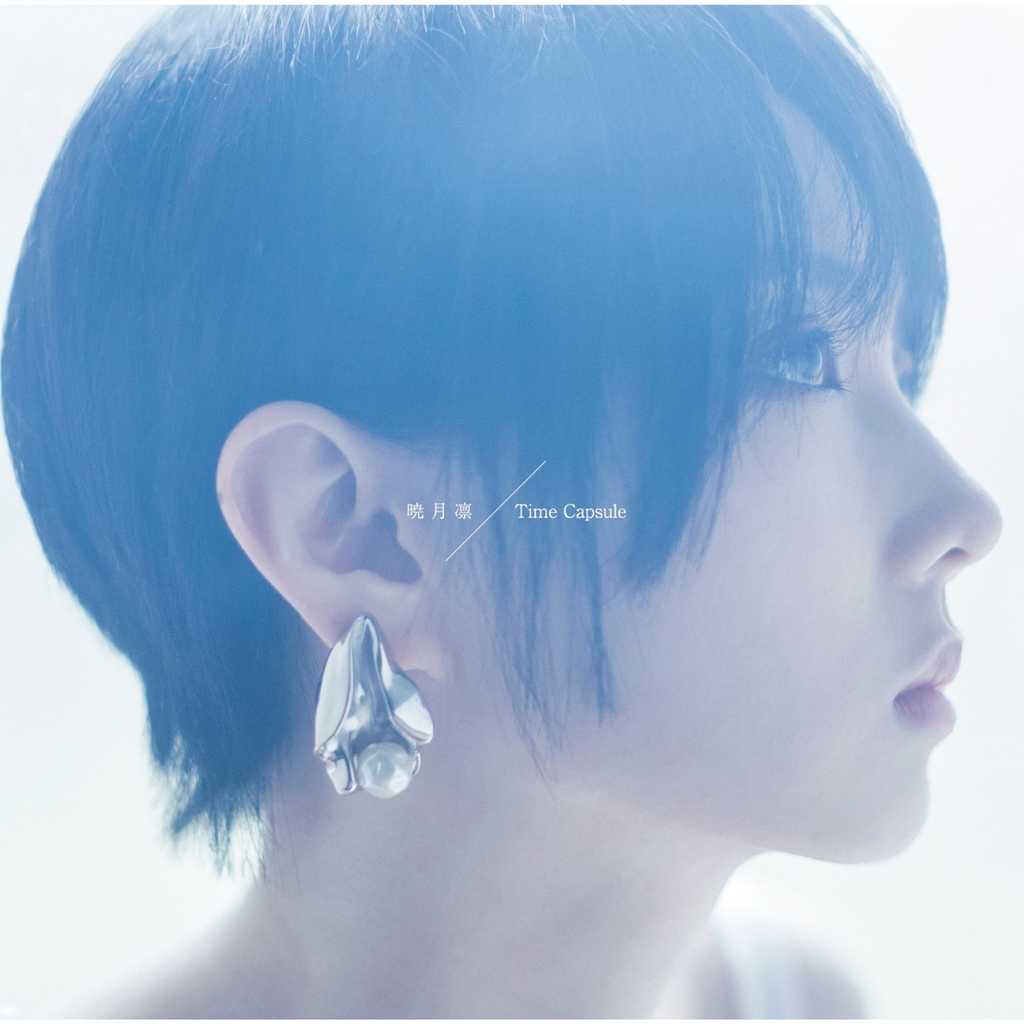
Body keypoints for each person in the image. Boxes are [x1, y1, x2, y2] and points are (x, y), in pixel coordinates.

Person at [1, 5, 1003, 1018]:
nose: (965, 516)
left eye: (904, 366)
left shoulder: (799, 1001)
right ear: (357, 531)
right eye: (796, 356)